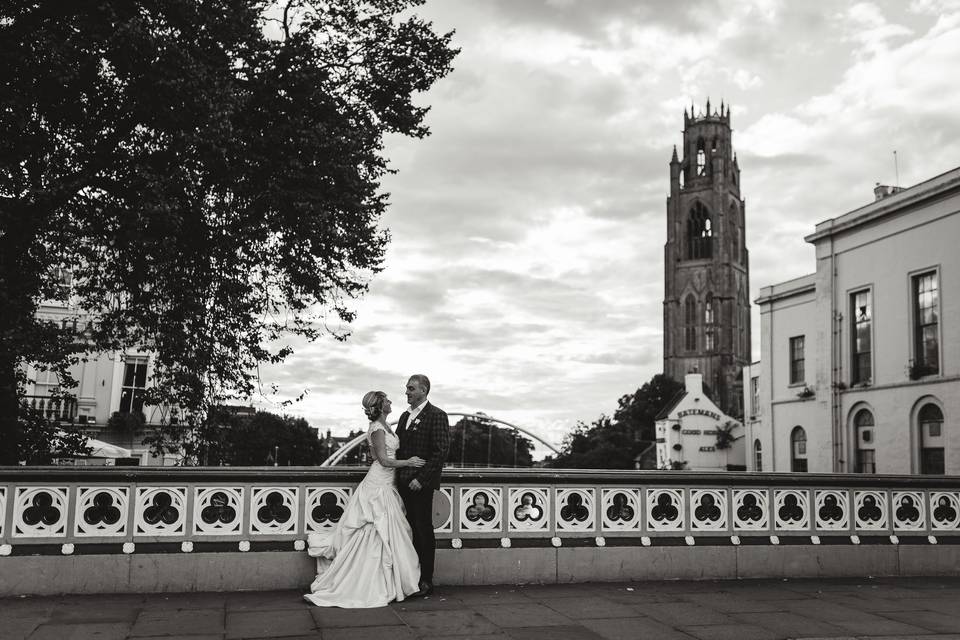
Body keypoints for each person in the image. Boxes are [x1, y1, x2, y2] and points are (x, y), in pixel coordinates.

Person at [304, 391, 425, 608]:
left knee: (386, 531)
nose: (390, 402)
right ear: (380, 406)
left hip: (387, 483)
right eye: (387, 400)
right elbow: (383, 461)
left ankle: (389, 579)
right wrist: (409, 462)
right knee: (374, 529)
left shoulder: (386, 427)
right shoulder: (377, 429)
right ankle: (369, 582)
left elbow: (379, 456)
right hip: (379, 483)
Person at [396, 374, 450, 597]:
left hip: (420, 484)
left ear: (424, 391)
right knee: (407, 530)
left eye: (411, 388)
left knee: (423, 529)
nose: (406, 392)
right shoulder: (403, 416)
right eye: (407, 388)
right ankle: (410, 576)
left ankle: (426, 579)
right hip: (401, 482)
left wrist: (422, 479)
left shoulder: (437, 415)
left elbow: (440, 452)